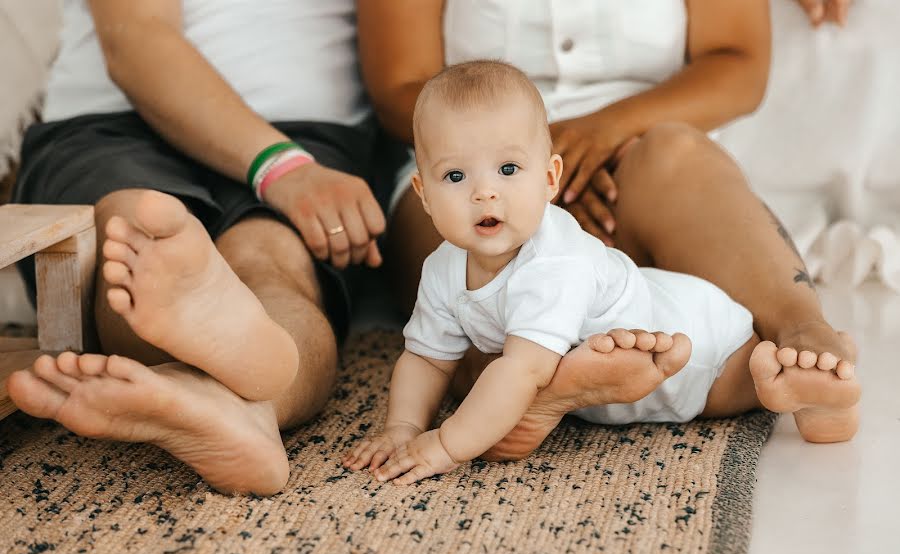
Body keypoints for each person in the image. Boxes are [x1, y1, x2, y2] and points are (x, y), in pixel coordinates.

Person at [356, 0, 861, 461]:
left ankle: (802, 335)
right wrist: (517, 170)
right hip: (471, 158)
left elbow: (738, 63)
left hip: (639, 139)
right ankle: (539, 390)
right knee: (470, 285)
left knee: (675, 155)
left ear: (551, 177)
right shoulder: (470, 200)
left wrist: (594, 139)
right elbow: (400, 83)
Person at [7, 0, 399, 496]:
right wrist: (282, 169)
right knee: (141, 229)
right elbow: (137, 38)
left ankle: (227, 403)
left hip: (305, 135)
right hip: (114, 119)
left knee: (269, 259)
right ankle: (246, 403)